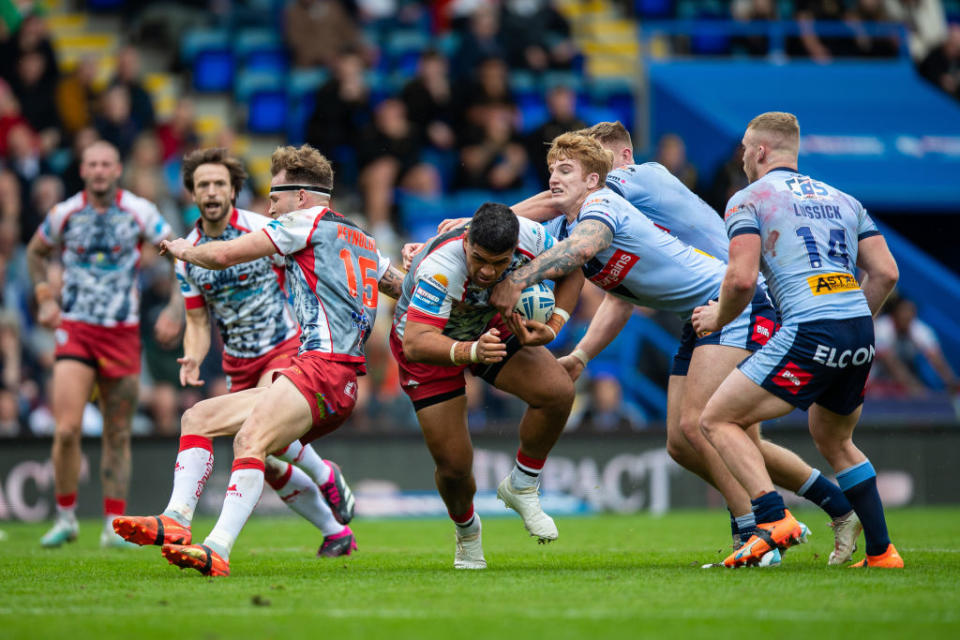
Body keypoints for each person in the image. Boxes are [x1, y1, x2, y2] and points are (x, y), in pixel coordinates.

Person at [491, 128, 862, 565]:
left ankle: (764, 528)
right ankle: (831, 510)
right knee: (693, 441)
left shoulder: (634, 181)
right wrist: (582, 355)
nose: (583, 172)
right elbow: (621, 297)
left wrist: (478, 227)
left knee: (709, 426)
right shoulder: (614, 215)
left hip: (740, 298)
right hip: (707, 307)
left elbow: (564, 215)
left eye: (592, 163)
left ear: (618, 159)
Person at [114, 144, 404, 576]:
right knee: (198, 419)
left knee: (249, 441)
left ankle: (218, 548)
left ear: (301, 196)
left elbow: (226, 253)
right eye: (202, 184)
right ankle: (176, 520)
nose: (269, 205)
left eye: (276, 196)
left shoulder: (299, 224)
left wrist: (181, 250)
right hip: (318, 371)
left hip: (312, 364)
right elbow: (400, 285)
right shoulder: (359, 236)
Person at [690, 111, 903, 568]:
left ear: (761, 151)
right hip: (859, 328)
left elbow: (742, 280)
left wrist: (716, 316)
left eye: (746, 148)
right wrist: (853, 321)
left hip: (811, 326)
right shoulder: (845, 200)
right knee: (834, 438)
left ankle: (773, 518)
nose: (743, 157)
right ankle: (883, 552)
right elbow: (886, 272)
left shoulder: (748, 199)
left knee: (716, 420)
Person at [392, 202, 582, 569]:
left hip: (487, 327)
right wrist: (469, 351)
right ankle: (467, 532)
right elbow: (416, 340)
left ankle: (522, 485)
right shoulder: (440, 268)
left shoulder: (532, 237)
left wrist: (555, 325)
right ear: (466, 242)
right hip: (431, 345)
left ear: (515, 247)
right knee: (454, 466)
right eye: (479, 259)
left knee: (558, 393)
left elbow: (575, 267)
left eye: (500, 262)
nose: (489, 270)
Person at [25, 140, 181, 548]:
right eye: (91, 164)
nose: (98, 171)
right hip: (77, 328)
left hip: (122, 332)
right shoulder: (64, 214)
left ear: (117, 170)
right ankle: (66, 518)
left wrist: (175, 307)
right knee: (66, 429)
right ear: (82, 170)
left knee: (117, 433)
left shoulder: (140, 211)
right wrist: (44, 296)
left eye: (105, 164)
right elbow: (35, 252)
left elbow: (178, 253)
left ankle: (114, 525)